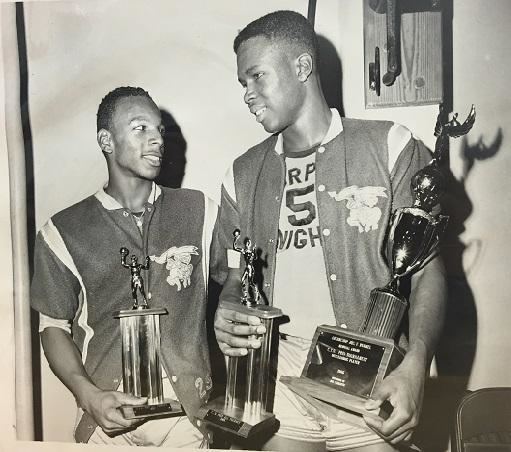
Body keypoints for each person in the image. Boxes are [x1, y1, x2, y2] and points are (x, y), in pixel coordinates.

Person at [212, 10, 446, 452]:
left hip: (371, 377)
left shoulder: (392, 146)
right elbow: (232, 278)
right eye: (243, 83)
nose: (248, 94)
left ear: (301, 67)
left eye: (256, 76)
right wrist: (226, 313)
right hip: (279, 378)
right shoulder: (240, 175)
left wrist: (416, 365)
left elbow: (426, 271)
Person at [31, 86, 217, 446]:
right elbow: (53, 327)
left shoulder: (201, 211)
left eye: (160, 130)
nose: (157, 141)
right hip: (106, 423)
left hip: (186, 422)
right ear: (106, 140)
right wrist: (89, 396)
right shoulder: (63, 230)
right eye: (140, 128)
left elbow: (240, 285)